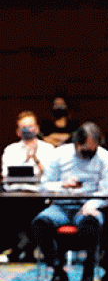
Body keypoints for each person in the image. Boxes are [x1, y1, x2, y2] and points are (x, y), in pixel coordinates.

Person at [31, 122, 108, 281]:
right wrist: (63, 185)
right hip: (61, 206)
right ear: (77, 143)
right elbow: (44, 186)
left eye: (93, 151)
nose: (89, 155)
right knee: (40, 223)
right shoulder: (59, 155)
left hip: (88, 205)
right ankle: (57, 270)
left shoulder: (104, 157)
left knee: (91, 223)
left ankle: (89, 270)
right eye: (86, 151)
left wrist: (93, 203)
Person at [1, 111, 56, 261]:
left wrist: (35, 159)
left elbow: (51, 174)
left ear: (37, 129)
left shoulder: (48, 149)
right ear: (18, 131)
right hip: (14, 195)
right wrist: (24, 160)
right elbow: (6, 175)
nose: (27, 130)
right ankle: (16, 245)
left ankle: (28, 246)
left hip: (38, 195)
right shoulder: (10, 150)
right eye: (23, 127)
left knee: (32, 209)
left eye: (30, 126)